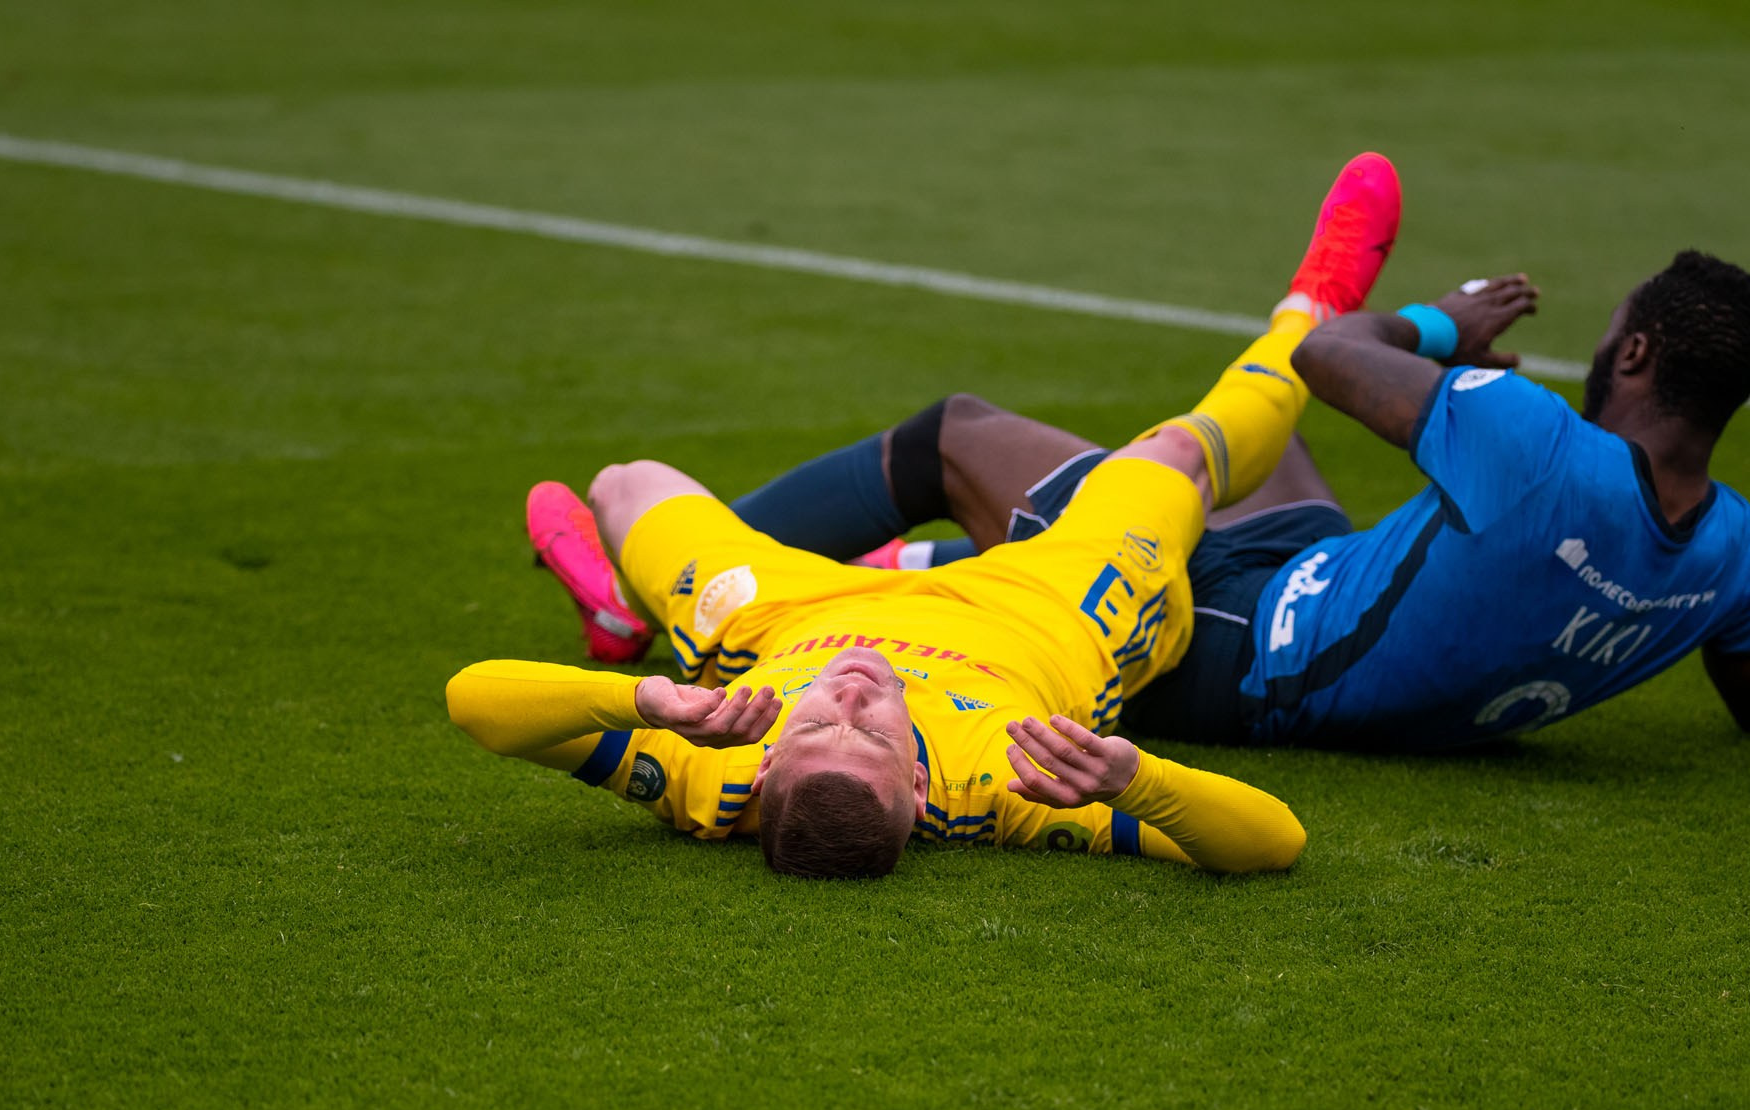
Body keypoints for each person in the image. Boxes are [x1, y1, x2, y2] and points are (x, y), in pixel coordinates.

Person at [446, 156, 1410, 876]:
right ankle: (1310, 307)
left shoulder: (710, 773)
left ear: (769, 755)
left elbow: (474, 701)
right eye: (867, 734)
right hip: (1048, 608)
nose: (851, 697)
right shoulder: (1005, 788)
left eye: (814, 723)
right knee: (1173, 458)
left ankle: (623, 614)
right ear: (916, 788)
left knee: (627, 482)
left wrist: (645, 703)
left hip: (789, 614)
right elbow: (1276, 842)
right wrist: (1133, 782)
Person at [573, 233, 1750, 749]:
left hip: (1240, 652)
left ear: (1639, 352)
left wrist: (1438, 326)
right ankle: (917, 585)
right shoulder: (1744, 562)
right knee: (1240, 443)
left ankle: (705, 590)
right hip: (1329, 596)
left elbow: (1332, 356)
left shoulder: (1542, 442)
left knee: (956, 437)